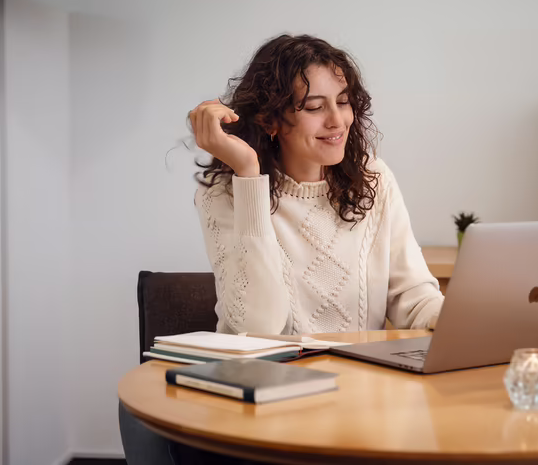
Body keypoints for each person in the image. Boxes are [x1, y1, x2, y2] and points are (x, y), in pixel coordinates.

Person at [119, 33, 444, 464]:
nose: (337, 120)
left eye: (343, 101)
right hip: (260, 409)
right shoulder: (225, 193)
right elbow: (259, 327)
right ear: (272, 120)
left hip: (360, 400)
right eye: (314, 107)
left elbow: (412, 297)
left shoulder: (374, 179)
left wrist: (467, 321)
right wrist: (248, 174)